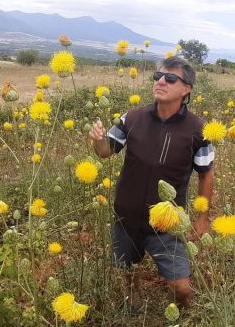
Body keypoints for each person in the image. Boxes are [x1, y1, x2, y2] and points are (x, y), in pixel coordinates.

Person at [88, 56, 214, 309]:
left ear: (186, 89)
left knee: (182, 288)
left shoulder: (200, 131)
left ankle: (179, 313)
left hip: (167, 222)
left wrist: (202, 216)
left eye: (170, 78)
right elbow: (105, 152)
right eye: (158, 76)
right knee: (126, 270)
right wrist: (98, 140)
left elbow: (205, 174)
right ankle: (131, 298)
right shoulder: (132, 118)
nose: (161, 82)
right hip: (127, 216)